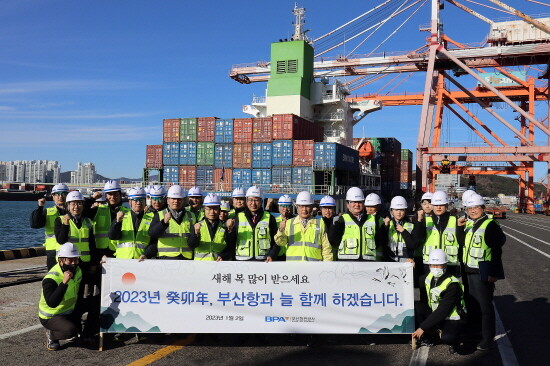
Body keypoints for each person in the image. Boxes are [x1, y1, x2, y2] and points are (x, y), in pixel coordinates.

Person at [457, 193, 505, 351]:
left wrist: (494, 273)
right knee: (472, 305)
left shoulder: (489, 225)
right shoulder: (470, 224)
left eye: (476, 207)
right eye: (469, 208)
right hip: (469, 270)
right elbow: (462, 243)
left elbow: (497, 251)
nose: (472, 210)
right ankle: (475, 332)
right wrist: (459, 228)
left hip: (482, 272)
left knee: (484, 307)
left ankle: (487, 338)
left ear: (483, 208)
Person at [412, 249, 466, 354]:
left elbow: (443, 311)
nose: (435, 268)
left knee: (448, 338)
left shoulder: (452, 284)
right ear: (429, 265)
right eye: (433, 265)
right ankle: (431, 333)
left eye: (439, 265)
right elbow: (415, 283)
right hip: (436, 312)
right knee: (417, 307)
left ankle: (455, 341)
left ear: (445, 265)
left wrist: (422, 328)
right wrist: (412, 267)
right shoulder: (430, 276)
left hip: (452, 317)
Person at [39, 243, 89, 350]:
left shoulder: (78, 271)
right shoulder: (51, 278)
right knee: (70, 331)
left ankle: (84, 333)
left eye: (75, 260)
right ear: (61, 261)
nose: (73, 263)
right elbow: (52, 303)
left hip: (68, 311)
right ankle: (52, 336)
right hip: (52, 316)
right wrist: (64, 283)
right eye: (70, 260)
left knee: (95, 304)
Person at [329, 187, 387, 261]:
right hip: (346, 263)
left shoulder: (373, 220)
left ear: (363, 203)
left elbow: (379, 241)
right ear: (347, 204)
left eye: (359, 202)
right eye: (354, 202)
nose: (357, 205)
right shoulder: (341, 220)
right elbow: (333, 241)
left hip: (368, 262)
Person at [275, 191, 333, 262]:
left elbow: (326, 249)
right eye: (301, 206)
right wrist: (280, 230)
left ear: (312, 207)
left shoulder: (320, 224)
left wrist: (327, 267)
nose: (304, 209)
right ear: (297, 207)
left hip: (314, 268)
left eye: (307, 206)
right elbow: (281, 243)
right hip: (293, 268)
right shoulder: (289, 223)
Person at [225, 186, 278, 262]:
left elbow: (276, 241)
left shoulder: (270, 218)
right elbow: (230, 243)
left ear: (261, 201)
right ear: (246, 201)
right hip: (242, 261)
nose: (253, 203)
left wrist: (272, 255)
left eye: (256, 200)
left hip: (264, 261)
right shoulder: (237, 218)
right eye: (250, 200)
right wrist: (229, 230)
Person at [146, 185, 196, 259]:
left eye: (179, 199)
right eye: (173, 198)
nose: (176, 201)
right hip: (166, 258)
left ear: (183, 200)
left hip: (186, 258)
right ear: (167, 200)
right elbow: (152, 234)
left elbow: (194, 240)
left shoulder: (191, 216)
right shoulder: (160, 215)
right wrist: (163, 223)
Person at [420, 191, 460, 277]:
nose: (438, 207)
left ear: (446, 205)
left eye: (441, 205)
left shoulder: (454, 220)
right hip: (430, 264)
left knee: (449, 289)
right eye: (436, 205)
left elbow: (461, 241)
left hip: (449, 264)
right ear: (432, 206)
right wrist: (418, 222)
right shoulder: (426, 221)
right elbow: (418, 239)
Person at [85, 180, 129, 258]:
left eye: (115, 194)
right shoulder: (99, 210)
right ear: (105, 196)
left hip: (119, 252)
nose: (112, 197)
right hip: (100, 253)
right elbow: (82, 211)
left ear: (120, 194)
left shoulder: (127, 212)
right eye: (110, 194)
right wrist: (92, 199)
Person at [30, 183, 69, 270]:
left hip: (69, 250)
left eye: (63, 194)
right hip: (53, 251)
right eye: (57, 194)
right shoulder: (47, 212)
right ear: (53, 197)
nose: (60, 197)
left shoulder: (73, 212)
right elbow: (35, 224)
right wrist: (40, 207)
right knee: (53, 276)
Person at [109, 187, 154, 259]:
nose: (138, 203)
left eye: (141, 200)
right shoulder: (121, 216)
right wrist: (117, 222)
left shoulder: (151, 218)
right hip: (123, 260)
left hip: (142, 260)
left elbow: (154, 241)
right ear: (130, 202)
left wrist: (147, 254)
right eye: (135, 200)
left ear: (145, 201)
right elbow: (112, 236)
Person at [189, 194, 234, 261]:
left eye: (215, 208)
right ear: (204, 209)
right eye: (209, 208)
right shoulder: (197, 226)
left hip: (219, 265)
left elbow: (231, 247)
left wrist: (223, 256)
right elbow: (191, 245)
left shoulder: (225, 227)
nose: (212, 212)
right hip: (200, 265)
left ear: (219, 210)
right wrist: (196, 234)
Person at [384, 196, 420, 263]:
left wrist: (403, 231)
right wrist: (386, 226)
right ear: (391, 211)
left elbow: (413, 245)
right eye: (396, 210)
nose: (399, 212)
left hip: (406, 262)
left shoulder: (411, 225)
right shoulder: (387, 224)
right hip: (390, 260)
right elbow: (382, 242)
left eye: (401, 210)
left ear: (405, 211)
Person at [364, 193, 388, 260]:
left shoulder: (382, 219)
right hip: (365, 256)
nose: (369, 209)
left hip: (378, 256)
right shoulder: (362, 219)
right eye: (367, 206)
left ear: (378, 206)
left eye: (372, 206)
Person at [275, 194, 295, 261]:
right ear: (279, 207)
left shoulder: (296, 221)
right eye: (283, 206)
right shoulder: (274, 221)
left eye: (288, 206)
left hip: (292, 254)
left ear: (291, 207)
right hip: (278, 255)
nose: (285, 209)